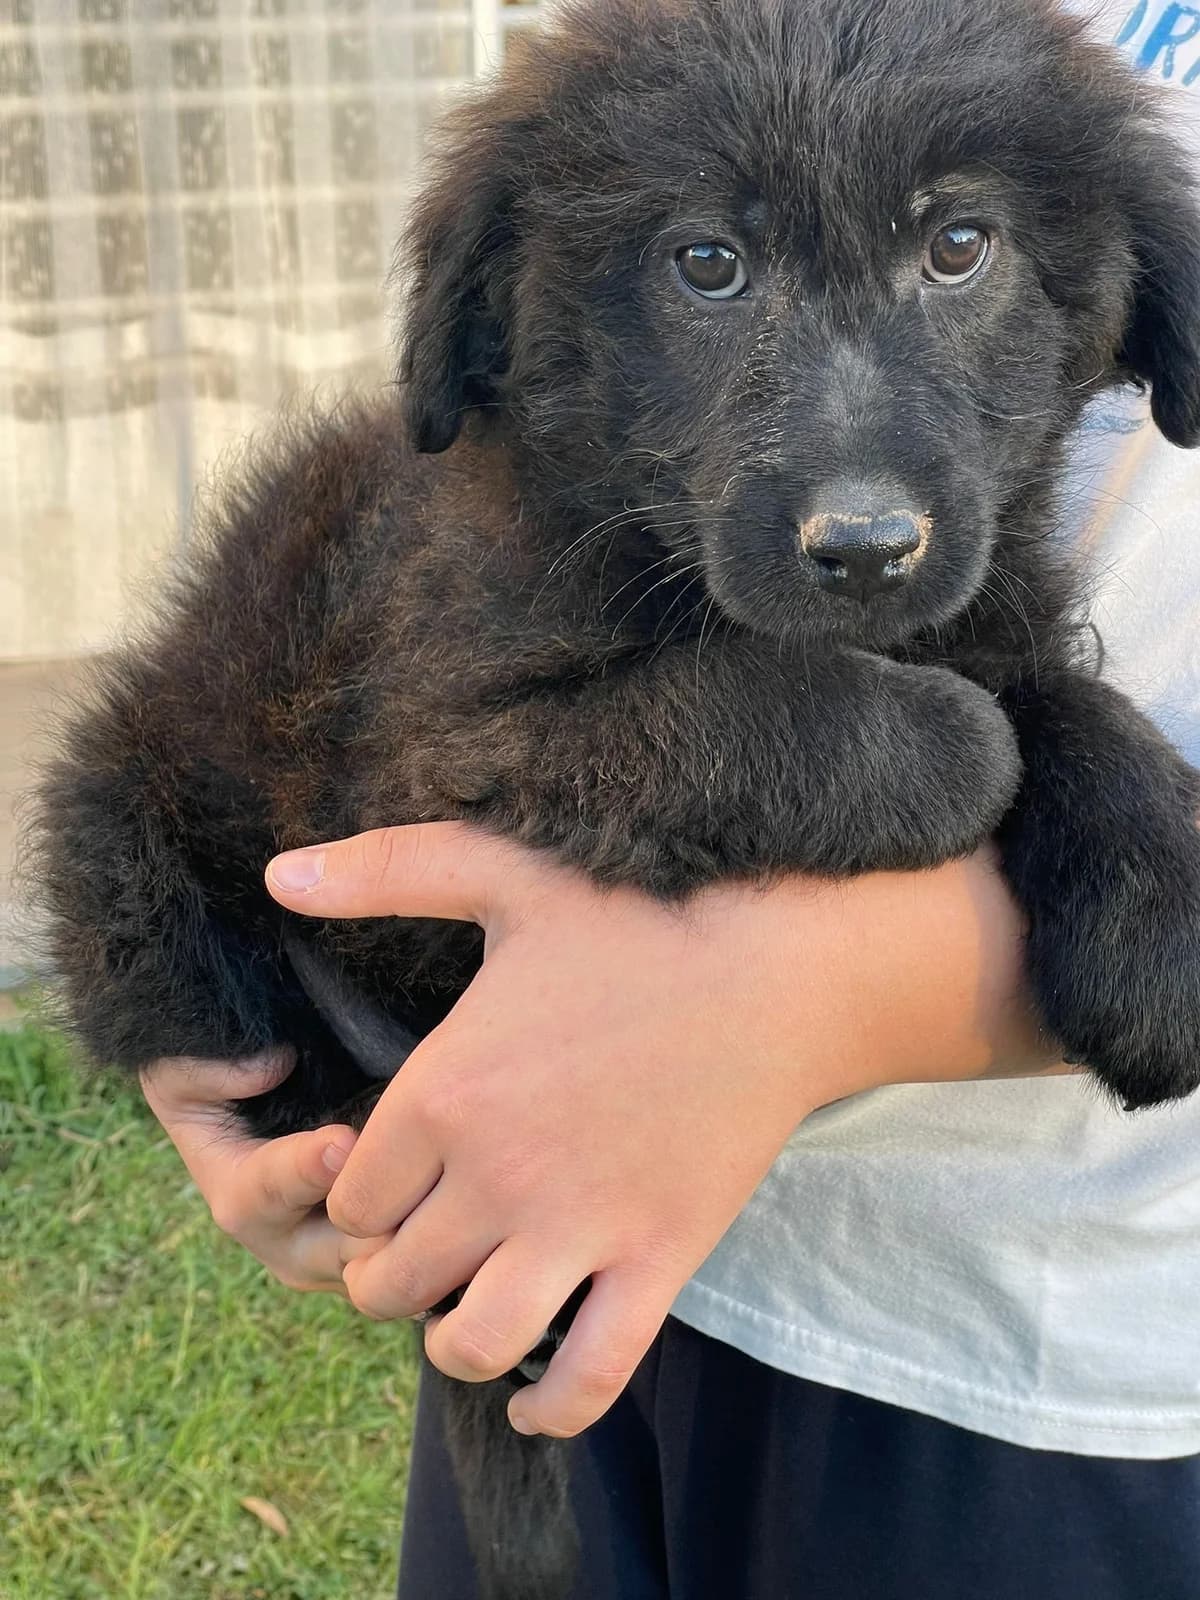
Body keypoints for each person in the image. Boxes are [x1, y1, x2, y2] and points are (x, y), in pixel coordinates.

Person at [141, 5, 1200, 1595]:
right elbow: (438, 752)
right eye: (710, 267)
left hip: (1027, 1357)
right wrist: (214, 1026)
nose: (856, 484)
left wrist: (869, 952)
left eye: (958, 248)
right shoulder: (527, 560)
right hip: (553, 1196)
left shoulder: (1076, 146)